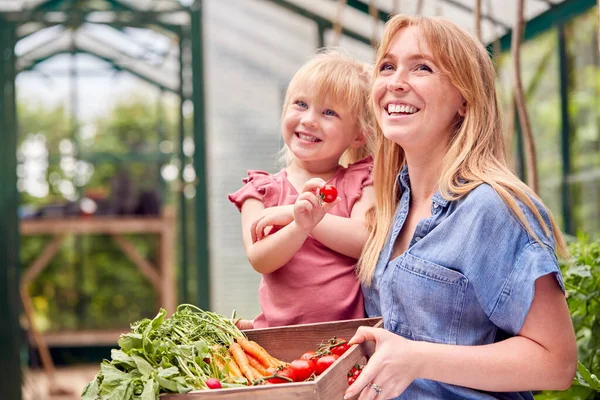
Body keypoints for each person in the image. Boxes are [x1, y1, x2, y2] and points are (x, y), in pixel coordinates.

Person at [344, 14, 577, 400]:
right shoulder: (391, 206)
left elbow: (556, 363)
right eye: (387, 66)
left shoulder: (491, 207)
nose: (395, 82)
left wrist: (417, 359)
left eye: (422, 67)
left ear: (465, 100)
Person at [228, 49, 375, 329]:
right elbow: (260, 259)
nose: (309, 119)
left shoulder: (361, 180)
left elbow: (365, 242)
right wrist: (300, 224)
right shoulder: (259, 191)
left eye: (329, 112)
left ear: (359, 135)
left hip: (346, 343)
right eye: (300, 104)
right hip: (278, 340)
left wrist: (303, 217)